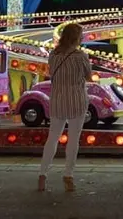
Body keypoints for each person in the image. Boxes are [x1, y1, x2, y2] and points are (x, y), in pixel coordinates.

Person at [38, 23, 91, 192]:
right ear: (76, 38)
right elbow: (88, 75)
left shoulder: (53, 54)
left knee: (52, 137)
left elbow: (51, 72)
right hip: (76, 100)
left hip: (58, 99)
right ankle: (68, 175)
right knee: (73, 139)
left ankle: (42, 174)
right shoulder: (80, 56)